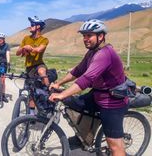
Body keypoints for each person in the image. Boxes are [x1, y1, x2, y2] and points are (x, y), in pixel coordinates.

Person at [49, 19, 128, 156]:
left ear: (101, 36)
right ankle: (84, 137)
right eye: (84, 36)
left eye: (89, 35)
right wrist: (59, 84)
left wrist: (62, 94)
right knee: (74, 103)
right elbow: (78, 71)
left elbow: (86, 79)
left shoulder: (105, 54)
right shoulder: (92, 52)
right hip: (97, 94)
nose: (85, 39)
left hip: (112, 102)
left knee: (115, 146)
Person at [16, 16, 50, 115]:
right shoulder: (26, 38)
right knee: (31, 91)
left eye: (32, 25)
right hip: (29, 68)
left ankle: (49, 91)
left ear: (38, 27)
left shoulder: (44, 39)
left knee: (42, 72)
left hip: (39, 64)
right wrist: (23, 49)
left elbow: (39, 49)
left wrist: (30, 48)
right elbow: (18, 53)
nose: (30, 27)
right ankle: (31, 113)